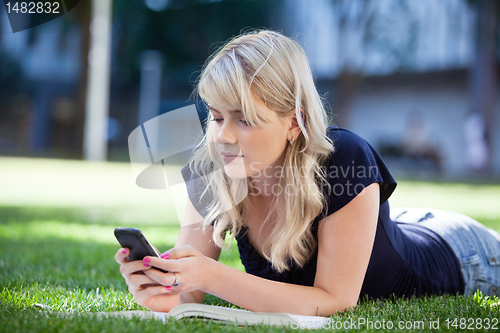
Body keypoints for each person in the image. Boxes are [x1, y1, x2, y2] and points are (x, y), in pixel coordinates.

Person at [115, 29, 500, 317]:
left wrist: (211, 276)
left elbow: (334, 301)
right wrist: (162, 290)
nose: (222, 136)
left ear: (295, 121)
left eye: (245, 120)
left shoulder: (344, 158)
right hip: (381, 226)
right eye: (216, 117)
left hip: (464, 253)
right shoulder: (210, 171)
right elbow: (189, 295)